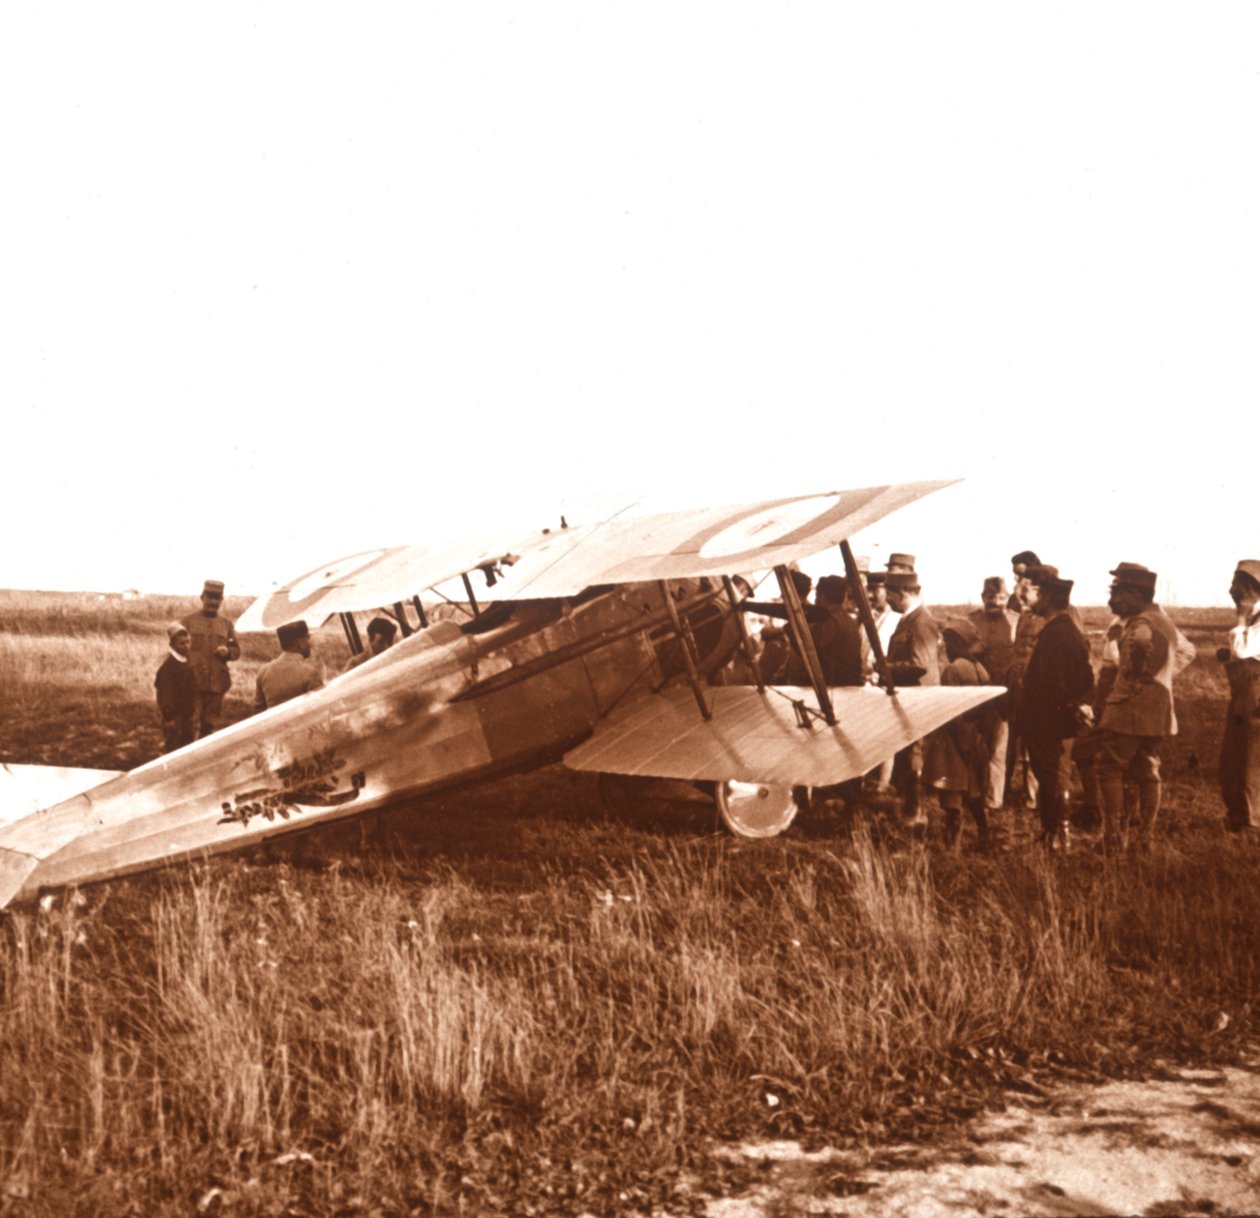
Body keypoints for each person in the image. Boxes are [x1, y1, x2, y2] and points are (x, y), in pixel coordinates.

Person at [1090, 564, 1175, 851]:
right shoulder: (1165, 621)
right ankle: (1145, 838)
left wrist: (1136, 668)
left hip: (1128, 711)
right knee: (1148, 772)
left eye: (1119, 593)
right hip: (1156, 713)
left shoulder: (1142, 623)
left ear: (1136, 593)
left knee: (1109, 770)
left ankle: (1113, 837)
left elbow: (1140, 643)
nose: (1115, 599)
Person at [1018, 567, 1093, 849]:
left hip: (1047, 722)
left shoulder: (1055, 634)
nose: (1033, 598)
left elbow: (1051, 683)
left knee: (1050, 778)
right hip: (1059, 720)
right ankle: (1055, 832)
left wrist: (1056, 710)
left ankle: (1056, 835)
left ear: (1047, 597)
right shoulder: (1068, 631)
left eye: (1038, 593)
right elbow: (1086, 678)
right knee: (1053, 776)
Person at [926, 618, 993, 848]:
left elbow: (952, 710)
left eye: (948, 643)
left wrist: (961, 741)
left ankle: (952, 844)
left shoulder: (953, 670)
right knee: (974, 790)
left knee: (952, 794)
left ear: (958, 643)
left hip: (954, 740)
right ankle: (984, 831)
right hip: (976, 736)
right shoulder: (981, 669)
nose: (945, 648)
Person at [884, 570, 941, 824]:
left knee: (914, 754)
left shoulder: (921, 622)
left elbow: (920, 664)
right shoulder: (909, 619)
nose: (887, 600)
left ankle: (915, 811)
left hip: (919, 699)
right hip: (909, 698)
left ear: (903, 593)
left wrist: (886, 669)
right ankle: (911, 807)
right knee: (909, 753)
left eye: (889, 594)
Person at [969, 576, 1018, 816]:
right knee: (976, 747)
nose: (994, 602)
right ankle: (975, 794)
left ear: (1007, 599)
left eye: (1000, 597)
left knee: (1000, 749)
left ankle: (995, 798)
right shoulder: (971, 621)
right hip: (976, 694)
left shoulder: (1016, 622)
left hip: (1005, 695)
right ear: (982, 597)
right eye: (990, 597)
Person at [1219, 560, 1260, 834]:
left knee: (1249, 757)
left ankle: (1249, 819)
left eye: (1236, 585)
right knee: (1233, 756)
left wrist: (1242, 618)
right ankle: (1238, 813)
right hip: (1243, 693)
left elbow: (1244, 650)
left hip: (1255, 695)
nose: (1231, 590)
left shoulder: (1254, 619)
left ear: (1250, 588)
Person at [181, 579, 241, 737]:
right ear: (202, 597)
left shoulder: (226, 625)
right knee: (190, 723)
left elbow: (236, 650)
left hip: (216, 683)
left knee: (209, 725)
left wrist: (227, 651)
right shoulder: (187, 622)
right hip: (193, 682)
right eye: (210, 597)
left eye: (217, 598)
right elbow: (176, 649)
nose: (213, 602)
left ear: (221, 600)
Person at [254, 620, 325, 712]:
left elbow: (258, 709)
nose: (309, 643)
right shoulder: (309, 673)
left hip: (275, 724)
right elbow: (321, 707)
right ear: (301, 643)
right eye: (308, 638)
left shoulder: (264, 671)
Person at [154, 623, 198, 753]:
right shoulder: (168, 667)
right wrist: (169, 717)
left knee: (187, 747)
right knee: (173, 748)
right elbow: (164, 694)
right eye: (181, 644)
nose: (186, 646)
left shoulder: (186, 661)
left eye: (188, 642)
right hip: (175, 717)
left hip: (187, 715)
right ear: (172, 645)